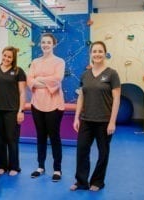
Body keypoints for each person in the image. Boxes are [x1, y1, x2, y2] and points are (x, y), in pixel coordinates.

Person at [70, 41, 121, 191]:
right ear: (90, 54)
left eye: (100, 51)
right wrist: (76, 117)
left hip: (104, 121)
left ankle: (98, 181)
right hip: (86, 120)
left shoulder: (112, 74)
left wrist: (112, 122)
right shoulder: (85, 75)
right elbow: (81, 97)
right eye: (94, 51)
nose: (97, 54)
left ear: (105, 53)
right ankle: (81, 181)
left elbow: (117, 99)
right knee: (81, 151)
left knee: (103, 153)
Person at [27, 33, 65, 182]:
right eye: (43, 42)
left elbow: (58, 79)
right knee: (40, 136)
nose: (45, 45)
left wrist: (39, 79)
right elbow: (30, 80)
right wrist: (38, 81)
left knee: (54, 137)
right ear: (40, 44)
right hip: (37, 104)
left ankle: (57, 169)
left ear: (53, 44)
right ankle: (40, 167)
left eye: (48, 42)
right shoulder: (35, 62)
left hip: (54, 104)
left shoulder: (59, 62)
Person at [0, 46, 26, 176]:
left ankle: (14, 167)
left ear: (13, 58)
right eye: (5, 55)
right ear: (2, 55)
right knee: (0, 139)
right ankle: (2, 166)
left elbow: (22, 92)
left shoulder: (18, 71)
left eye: (9, 57)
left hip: (12, 111)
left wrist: (21, 110)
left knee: (12, 138)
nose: (6, 58)